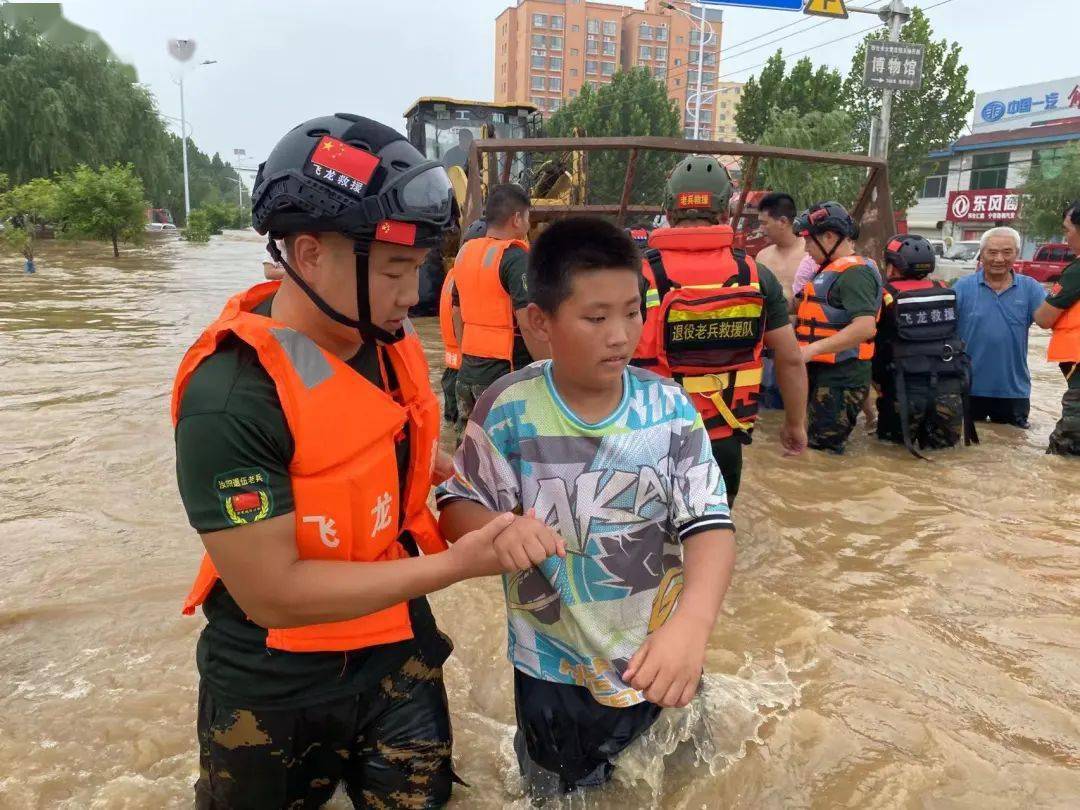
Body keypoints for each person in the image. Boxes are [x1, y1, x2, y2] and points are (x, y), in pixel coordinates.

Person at [172, 113, 528, 809]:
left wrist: (483, 496)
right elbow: (272, 592)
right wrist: (457, 566)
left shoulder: (386, 343)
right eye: (397, 269)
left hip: (396, 652)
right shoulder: (231, 399)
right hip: (274, 689)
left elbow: (396, 455)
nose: (414, 292)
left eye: (422, 267)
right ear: (308, 255)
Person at [436, 217, 735, 798]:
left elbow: (711, 526)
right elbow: (455, 509)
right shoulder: (509, 410)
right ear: (538, 323)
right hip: (552, 671)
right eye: (596, 318)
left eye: (632, 311)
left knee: (686, 782)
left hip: (661, 651)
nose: (622, 335)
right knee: (559, 792)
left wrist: (693, 628)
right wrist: (502, 529)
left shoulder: (669, 410)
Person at [633, 155, 807, 504]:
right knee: (715, 541)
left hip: (652, 440)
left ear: (668, 210)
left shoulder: (637, 274)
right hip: (724, 440)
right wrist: (795, 424)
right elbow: (790, 359)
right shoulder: (756, 276)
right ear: (726, 212)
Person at [452, 184, 548, 432]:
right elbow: (528, 322)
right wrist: (547, 367)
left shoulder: (465, 254)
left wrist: (467, 359)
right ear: (517, 219)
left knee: (469, 450)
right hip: (505, 376)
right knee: (515, 452)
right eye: (528, 217)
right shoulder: (515, 258)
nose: (529, 224)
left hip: (467, 375)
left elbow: (456, 311)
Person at [873, 234, 976, 456]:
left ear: (892, 267)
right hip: (949, 391)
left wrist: (878, 383)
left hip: (904, 391)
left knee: (891, 458)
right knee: (944, 459)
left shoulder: (885, 295)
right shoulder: (945, 289)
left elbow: (878, 348)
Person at [793, 201, 883, 454]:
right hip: (826, 375)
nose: (806, 249)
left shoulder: (855, 273)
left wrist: (811, 350)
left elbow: (865, 327)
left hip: (841, 378)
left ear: (829, 236)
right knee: (814, 449)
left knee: (823, 453)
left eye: (809, 241)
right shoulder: (829, 271)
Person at [954, 226, 1046, 429]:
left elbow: (1048, 322)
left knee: (1012, 449)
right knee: (964, 453)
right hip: (968, 388)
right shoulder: (961, 287)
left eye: (1007, 252)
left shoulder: (1031, 288)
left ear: (1017, 254)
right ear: (982, 253)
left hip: (1013, 391)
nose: (999, 259)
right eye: (992, 252)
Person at [1034, 201, 1080, 455]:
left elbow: (1044, 318)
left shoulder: (1077, 271)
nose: (1066, 236)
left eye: (1067, 229)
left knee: (1064, 457)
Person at [754, 192, 807, 409]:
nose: (761, 229)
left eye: (764, 223)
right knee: (767, 401)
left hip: (802, 341)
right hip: (768, 340)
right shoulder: (762, 256)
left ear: (783, 222)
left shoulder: (810, 253)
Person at [438, 219, 488, 427]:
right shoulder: (470, 278)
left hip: (452, 367)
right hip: (466, 366)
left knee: (453, 427)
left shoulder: (453, 273)